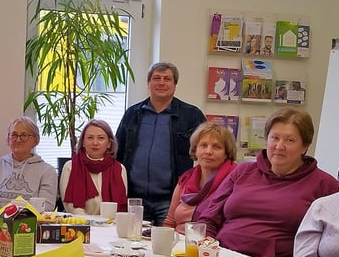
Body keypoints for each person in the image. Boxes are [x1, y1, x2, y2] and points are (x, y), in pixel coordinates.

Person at [195, 107, 339, 257]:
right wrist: (208, 250)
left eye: (289, 140)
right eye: (274, 138)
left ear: (305, 146)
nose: (279, 146)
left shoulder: (324, 184)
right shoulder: (243, 172)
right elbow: (208, 219)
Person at [116, 62, 206, 225]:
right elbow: (117, 151)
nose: (161, 83)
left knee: (164, 247)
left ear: (175, 84)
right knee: (131, 244)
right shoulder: (132, 114)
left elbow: (206, 153)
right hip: (134, 199)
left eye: (167, 79)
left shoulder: (191, 115)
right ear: (148, 83)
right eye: (156, 78)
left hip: (171, 200)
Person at [164, 122, 237, 233]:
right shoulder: (185, 179)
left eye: (216, 147)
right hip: (177, 244)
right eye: (203, 145)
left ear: (226, 153)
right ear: (195, 150)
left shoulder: (235, 180)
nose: (208, 151)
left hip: (211, 246)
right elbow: (170, 222)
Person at [0, 117, 58, 212]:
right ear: (8, 139)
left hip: (29, 225)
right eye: (14, 135)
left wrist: (17, 221)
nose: (18, 140)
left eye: (24, 135)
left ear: (35, 140)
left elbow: (46, 207)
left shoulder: (48, 171)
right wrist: (0, 218)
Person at [59, 119, 128, 215]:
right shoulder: (70, 167)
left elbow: (120, 208)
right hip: (80, 225)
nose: (95, 143)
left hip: (111, 225)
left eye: (101, 138)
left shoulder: (119, 169)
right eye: (90, 138)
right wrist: (91, 224)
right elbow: (71, 207)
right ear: (82, 142)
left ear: (109, 143)